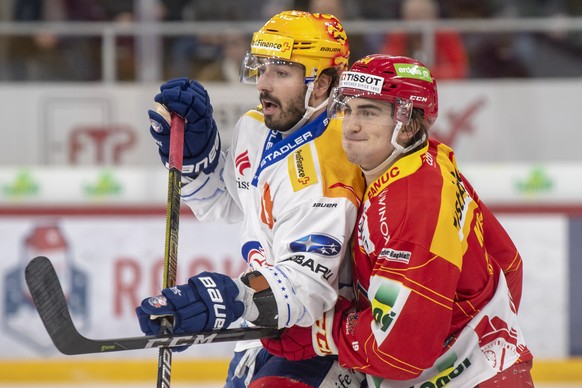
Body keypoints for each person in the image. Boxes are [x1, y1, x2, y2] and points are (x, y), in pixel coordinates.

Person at [262, 54, 534, 387]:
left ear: (408, 125)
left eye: (369, 112)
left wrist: (322, 331)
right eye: (348, 108)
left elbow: (399, 353)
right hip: (488, 373)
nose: (351, 124)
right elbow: (509, 263)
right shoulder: (427, 161)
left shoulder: (413, 206)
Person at [135, 10, 366, 387]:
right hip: (263, 332)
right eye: (261, 68)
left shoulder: (333, 165)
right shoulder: (256, 126)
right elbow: (223, 203)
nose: (263, 84)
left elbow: (308, 290)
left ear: (321, 84)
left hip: (320, 344)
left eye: (282, 72)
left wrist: (227, 296)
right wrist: (196, 159)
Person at [381, 0, 468, 80]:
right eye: (413, 15)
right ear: (404, 17)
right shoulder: (397, 36)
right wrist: (424, 74)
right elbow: (386, 70)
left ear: (434, 16)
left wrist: (414, 75)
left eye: (423, 14)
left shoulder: (446, 35)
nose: (418, 19)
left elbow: (458, 70)